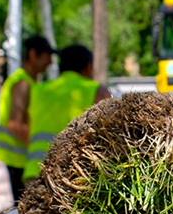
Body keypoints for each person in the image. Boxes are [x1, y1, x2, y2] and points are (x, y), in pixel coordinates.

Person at [24, 44, 111, 182]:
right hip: (73, 174)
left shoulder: (37, 90)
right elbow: (110, 132)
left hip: (35, 170)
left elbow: (28, 129)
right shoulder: (95, 90)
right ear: (88, 67)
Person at [0, 35, 54, 203]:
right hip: (19, 161)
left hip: (21, 161)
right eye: (47, 56)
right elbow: (16, 124)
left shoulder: (27, 82)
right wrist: (43, 150)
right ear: (33, 54)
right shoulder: (23, 84)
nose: (50, 62)